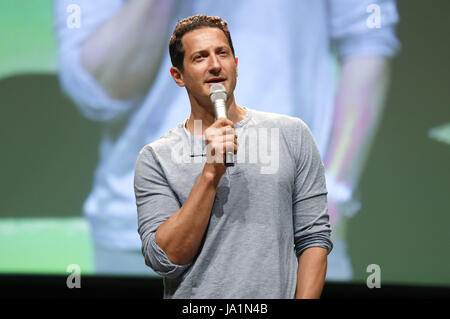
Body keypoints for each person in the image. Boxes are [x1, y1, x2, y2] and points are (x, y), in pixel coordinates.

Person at [55, 0, 399, 278]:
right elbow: (95, 93)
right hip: (146, 235)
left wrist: (332, 195)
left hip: (288, 232)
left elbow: (368, 40)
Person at [134, 15, 332, 299]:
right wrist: (210, 174)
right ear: (179, 76)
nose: (215, 65)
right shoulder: (156, 158)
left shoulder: (292, 134)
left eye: (222, 53)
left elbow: (314, 238)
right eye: (200, 57)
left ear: (236, 64)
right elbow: (166, 260)